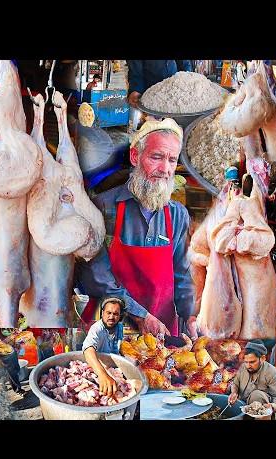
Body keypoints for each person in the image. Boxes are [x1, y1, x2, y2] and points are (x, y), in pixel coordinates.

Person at [75, 118, 197, 339]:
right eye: (156, 157)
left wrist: (190, 316)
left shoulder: (178, 215)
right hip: (109, 330)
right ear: (135, 156)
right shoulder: (103, 207)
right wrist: (141, 315)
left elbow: (182, 274)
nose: (165, 169)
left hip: (161, 333)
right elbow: (96, 277)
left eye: (172, 160)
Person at [228, 340, 276, 418]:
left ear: (263, 358)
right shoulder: (243, 367)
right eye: (246, 362)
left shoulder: (273, 373)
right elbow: (235, 383)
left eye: (252, 362)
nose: (248, 366)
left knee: (257, 395)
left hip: (261, 414)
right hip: (242, 409)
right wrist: (234, 393)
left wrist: (272, 406)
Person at [82, 297, 125, 396]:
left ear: (119, 316)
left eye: (115, 314)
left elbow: (119, 347)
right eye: (108, 313)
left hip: (115, 370)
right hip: (97, 368)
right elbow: (88, 349)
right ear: (102, 313)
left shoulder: (119, 327)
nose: (111, 317)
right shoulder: (96, 329)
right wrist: (102, 375)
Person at [126, 60, 193, 108]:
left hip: (175, 90)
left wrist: (187, 80)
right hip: (151, 94)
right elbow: (136, 72)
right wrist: (136, 89)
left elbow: (185, 64)